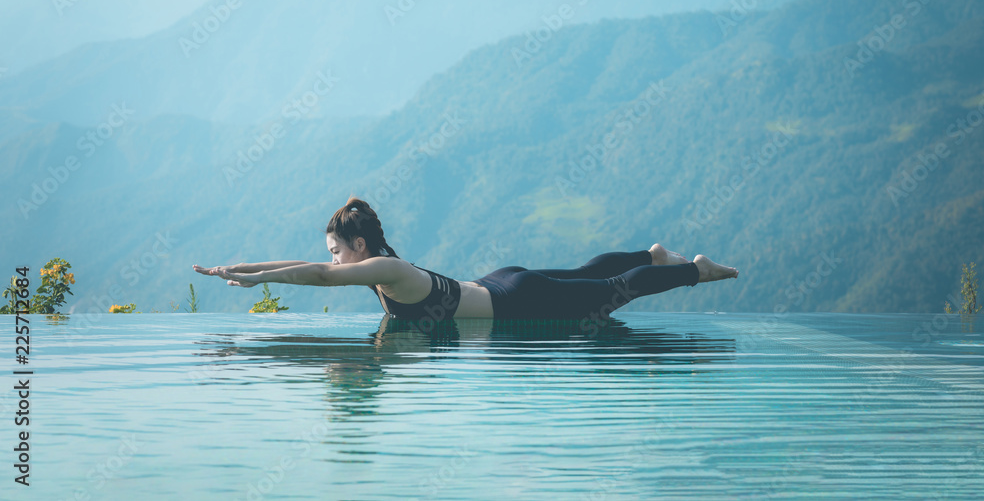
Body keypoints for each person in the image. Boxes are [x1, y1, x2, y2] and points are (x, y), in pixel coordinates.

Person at [194, 197, 739, 323]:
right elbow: (301, 263)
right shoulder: (379, 264)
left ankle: (694, 269)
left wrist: (252, 281)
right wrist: (238, 271)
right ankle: (654, 253)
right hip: (494, 283)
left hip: (512, 297)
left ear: (359, 248)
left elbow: (310, 275)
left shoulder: (385, 269)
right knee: (584, 273)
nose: (331, 261)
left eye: (337, 251)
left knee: (615, 289)